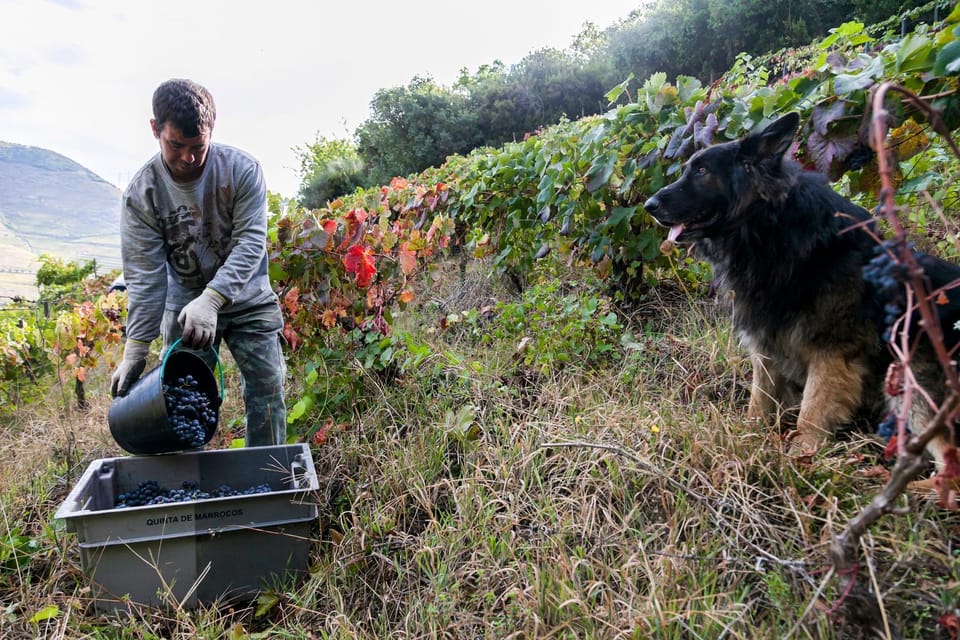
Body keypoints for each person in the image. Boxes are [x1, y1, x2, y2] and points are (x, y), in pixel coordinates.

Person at [110, 78, 286, 447]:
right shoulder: (143, 195)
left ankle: (267, 477)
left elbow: (251, 241)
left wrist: (214, 298)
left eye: (198, 146)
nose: (188, 157)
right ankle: (192, 489)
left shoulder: (241, 171)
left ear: (211, 131)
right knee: (178, 399)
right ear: (155, 129)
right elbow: (145, 277)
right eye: (176, 145)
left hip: (247, 296)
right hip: (184, 306)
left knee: (267, 388)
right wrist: (136, 350)